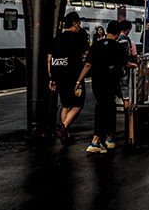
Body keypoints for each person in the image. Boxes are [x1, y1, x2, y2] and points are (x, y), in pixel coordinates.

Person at [75, 20, 127, 154]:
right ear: (118, 33)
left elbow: (88, 65)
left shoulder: (96, 45)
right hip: (111, 81)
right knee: (109, 108)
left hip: (97, 81)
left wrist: (79, 80)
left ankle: (104, 138)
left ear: (107, 30)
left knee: (101, 106)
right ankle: (100, 139)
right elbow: (124, 65)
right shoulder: (119, 47)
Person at [47, 10, 90, 144]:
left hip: (58, 76)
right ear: (75, 23)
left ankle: (67, 135)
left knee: (66, 105)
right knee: (78, 104)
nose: (79, 26)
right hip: (73, 76)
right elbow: (86, 55)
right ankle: (63, 127)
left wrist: (51, 77)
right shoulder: (78, 38)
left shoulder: (56, 39)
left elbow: (49, 59)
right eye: (79, 23)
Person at [116, 19, 139, 109]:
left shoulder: (117, 38)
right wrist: (129, 64)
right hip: (123, 69)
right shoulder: (124, 40)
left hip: (118, 68)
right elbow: (124, 54)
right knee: (125, 89)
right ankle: (127, 110)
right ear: (127, 29)